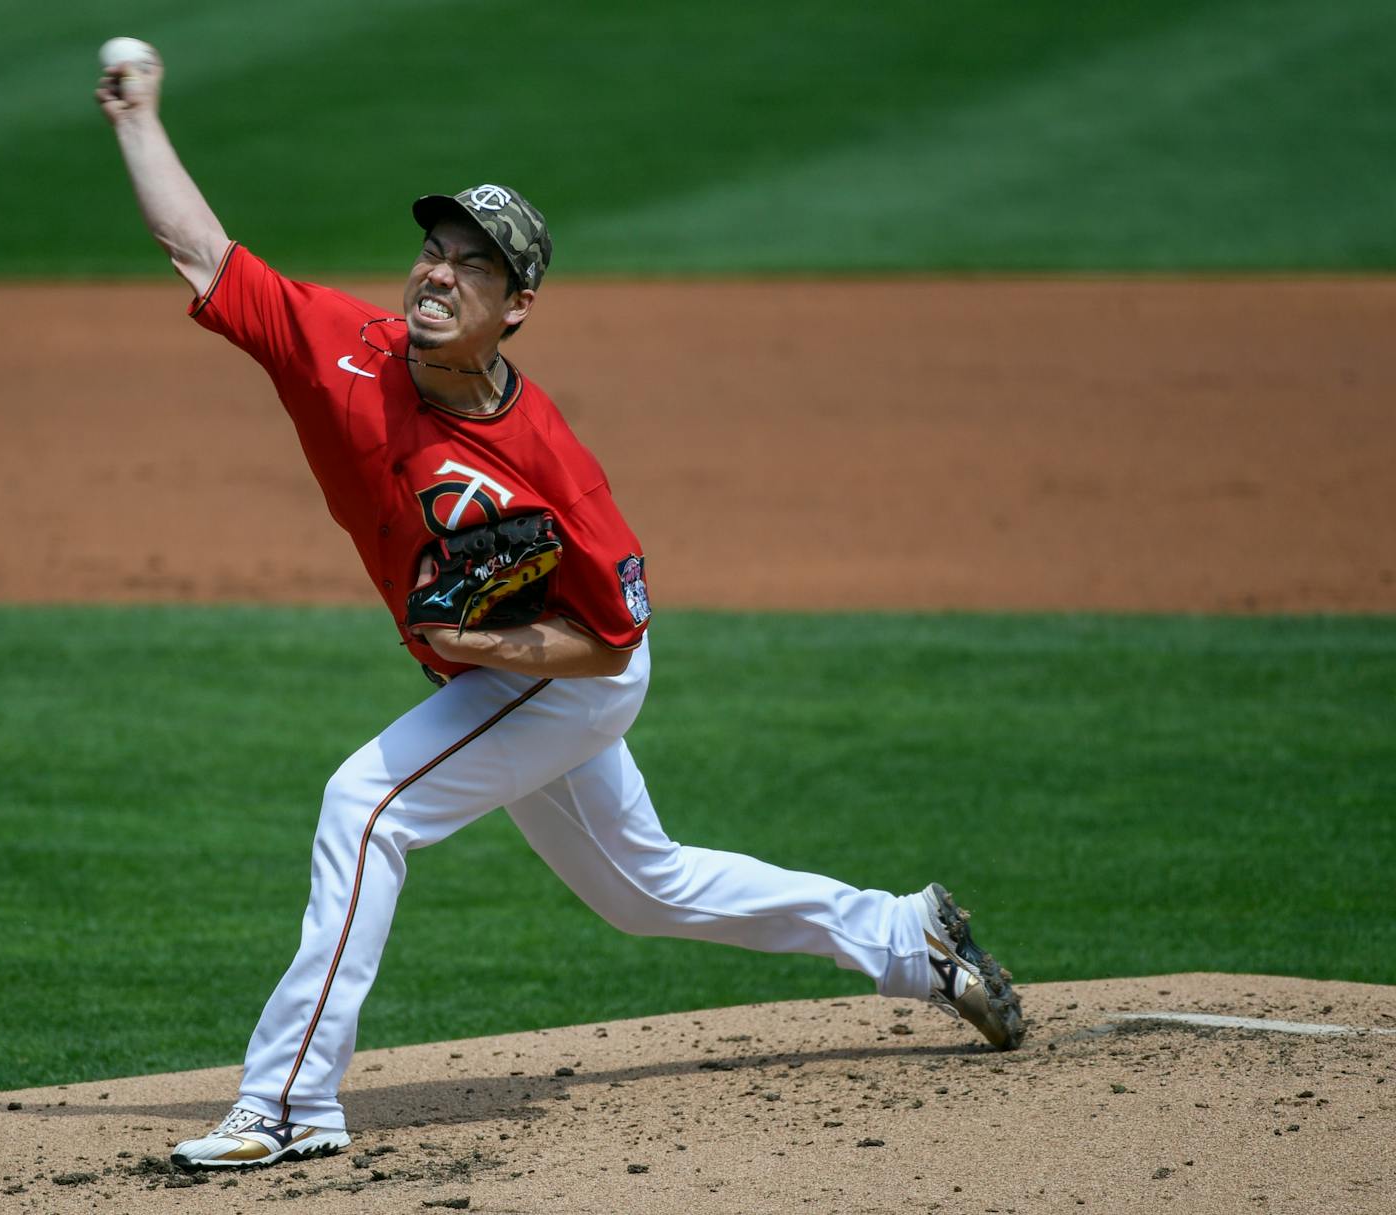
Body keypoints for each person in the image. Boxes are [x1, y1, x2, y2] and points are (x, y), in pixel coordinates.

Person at [95, 47, 1026, 1172]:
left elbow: (612, 642)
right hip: (498, 670)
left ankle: (290, 1102)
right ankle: (906, 935)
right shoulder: (340, 349)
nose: (436, 276)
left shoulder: (552, 468)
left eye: (471, 267)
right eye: (432, 253)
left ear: (518, 305)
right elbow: (203, 252)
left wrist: (477, 644)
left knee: (367, 807)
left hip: (564, 675)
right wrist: (137, 117)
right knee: (645, 887)